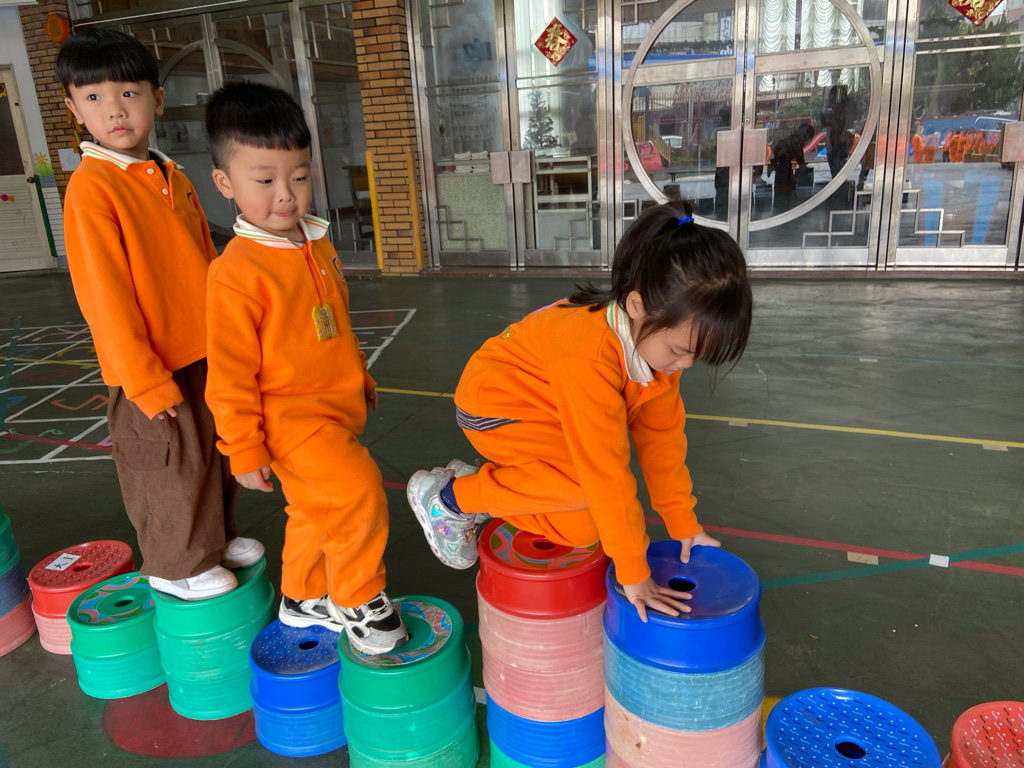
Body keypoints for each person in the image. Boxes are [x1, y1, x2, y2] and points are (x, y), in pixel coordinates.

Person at [406, 200, 753, 622]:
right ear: (637, 305)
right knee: (583, 485)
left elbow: (662, 441)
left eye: (699, 355)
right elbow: (604, 471)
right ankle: (451, 498)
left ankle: (497, 485)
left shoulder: (658, 354)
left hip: (549, 410)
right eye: (680, 350)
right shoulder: (588, 355)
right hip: (495, 406)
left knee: (584, 529)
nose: (686, 365)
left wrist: (684, 524)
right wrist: (633, 572)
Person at [56, 29, 262, 601]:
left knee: (212, 454)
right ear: (73, 110)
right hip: (150, 366)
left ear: (158, 98)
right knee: (168, 466)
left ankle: (214, 541)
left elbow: (206, 262)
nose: (115, 110)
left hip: (203, 350)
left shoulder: (171, 174)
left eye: (129, 93)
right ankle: (175, 564)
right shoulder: (93, 188)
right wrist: (143, 380)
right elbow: (104, 297)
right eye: (94, 97)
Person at [203, 82, 407, 655]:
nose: (286, 195)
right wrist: (243, 449)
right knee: (357, 491)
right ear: (225, 182)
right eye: (264, 181)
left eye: (298, 176)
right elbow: (229, 374)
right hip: (290, 420)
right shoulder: (236, 273)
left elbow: (333, 321)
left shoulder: (313, 242)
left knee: (316, 508)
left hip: (335, 407)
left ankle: (303, 595)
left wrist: (359, 374)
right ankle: (357, 597)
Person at [771, 123, 815, 189]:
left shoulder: (793, 138)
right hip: (783, 160)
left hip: (782, 159)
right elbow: (799, 155)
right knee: (784, 180)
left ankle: (783, 189)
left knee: (783, 179)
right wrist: (802, 165)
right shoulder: (798, 140)